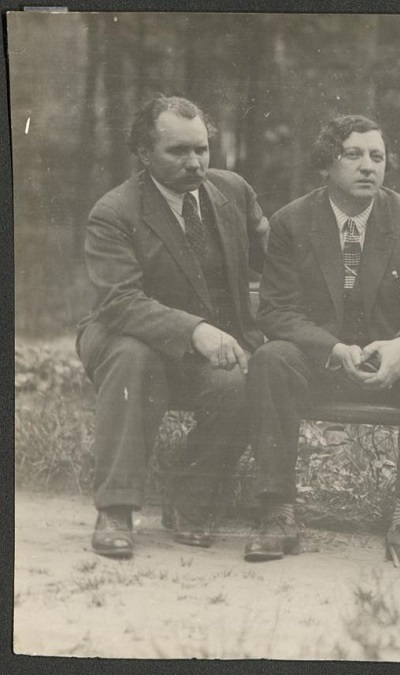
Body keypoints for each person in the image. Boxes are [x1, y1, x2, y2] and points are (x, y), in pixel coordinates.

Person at [245, 115, 400, 571]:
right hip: (320, 365)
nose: (368, 166)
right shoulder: (292, 222)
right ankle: (277, 512)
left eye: (377, 157)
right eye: (353, 155)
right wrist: (333, 350)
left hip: (392, 365)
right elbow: (276, 310)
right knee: (270, 359)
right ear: (327, 164)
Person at [78, 95, 268, 558]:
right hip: (123, 334)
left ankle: (190, 498)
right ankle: (115, 509)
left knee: (240, 378)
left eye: (202, 149)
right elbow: (119, 302)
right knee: (134, 359)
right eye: (178, 151)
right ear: (144, 153)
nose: (195, 162)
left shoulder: (232, 191)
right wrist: (196, 330)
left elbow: (277, 258)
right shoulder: (115, 211)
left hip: (204, 345)